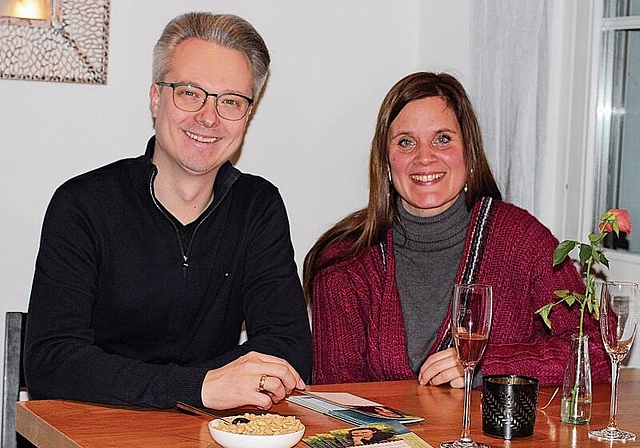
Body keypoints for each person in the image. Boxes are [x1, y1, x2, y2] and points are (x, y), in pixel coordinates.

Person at [24, 12, 312, 411]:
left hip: (210, 435)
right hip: (94, 432)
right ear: (156, 97)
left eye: (230, 101)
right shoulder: (82, 205)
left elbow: (289, 351)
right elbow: (51, 362)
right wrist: (199, 387)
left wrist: (196, 388)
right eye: (190, 93)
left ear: (248, 115)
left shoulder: (257, 206)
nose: (208, 117)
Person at [304, 71, 609, 387]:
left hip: (496, 434)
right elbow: (337, 399)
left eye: (442, 139)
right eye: (406, 142)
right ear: (386, 161)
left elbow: (599, 350)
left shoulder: (522, 240)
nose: (424, 157)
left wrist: (484, 363)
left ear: (470, 152)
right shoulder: (343, 262)